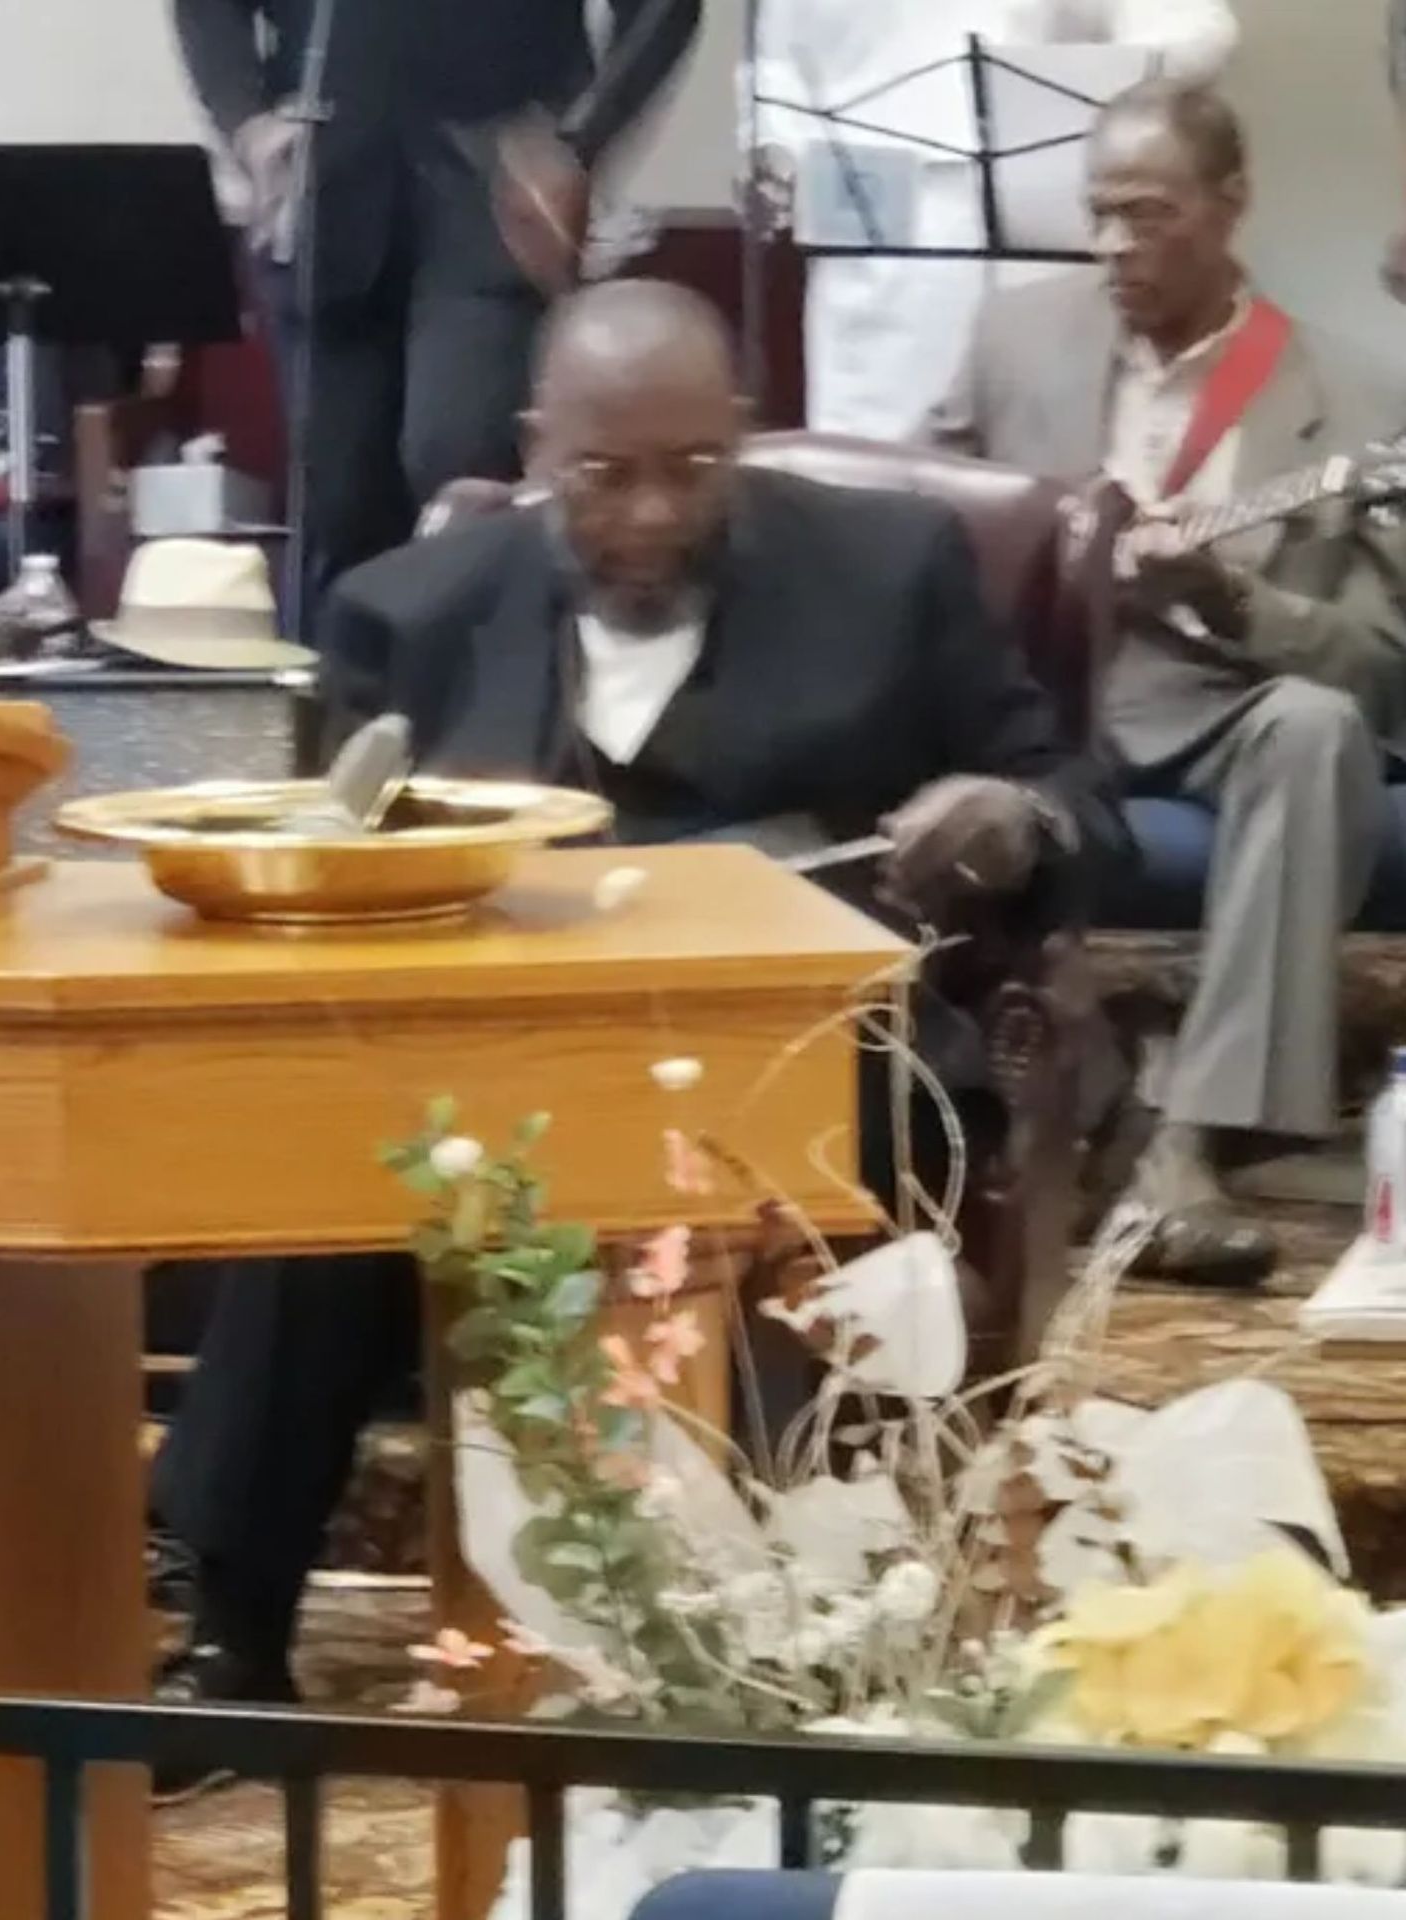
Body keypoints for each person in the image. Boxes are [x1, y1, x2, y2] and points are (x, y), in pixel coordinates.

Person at [151, 279, 1123, 1745]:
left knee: (778, 1204)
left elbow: (1081, 802)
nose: (656, 514)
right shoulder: (409, 610)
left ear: (744, 433)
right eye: (607, 475)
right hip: (497, 1058)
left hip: (808, 1048)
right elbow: (338, 864)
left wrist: (1012, 814)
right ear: (538, 449)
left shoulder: (891, 568)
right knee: (338, 1180)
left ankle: (777, 1652)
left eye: (696, 468)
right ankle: (232, 1629)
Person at [931, 80, 1406, 1286]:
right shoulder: (1013, 337)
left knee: (1317, 725)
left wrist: (1230, 596)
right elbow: (914, 526)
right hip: (1038, 698)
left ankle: (1190, 1134)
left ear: (1231, 205)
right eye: (1099, 213)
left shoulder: (1354, 398)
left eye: (1149, 214)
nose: (1114, 245)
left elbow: (1383, 669)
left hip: (1214, 703)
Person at [169, 0, 705, 619]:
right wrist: (247, 122)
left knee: (458, 462)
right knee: (339, 501)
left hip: (496, 182)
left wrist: (579, 139)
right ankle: (350, 673)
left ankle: (476, 670)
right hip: (326, 184)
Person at [745, 0, 1237, 442]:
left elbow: (1198, 29)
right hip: (872, 232)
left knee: (1045, 445)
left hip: (1034, 214)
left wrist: (1104, 75)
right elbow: (775, 65)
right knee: (872, 463)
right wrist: (775, 151)